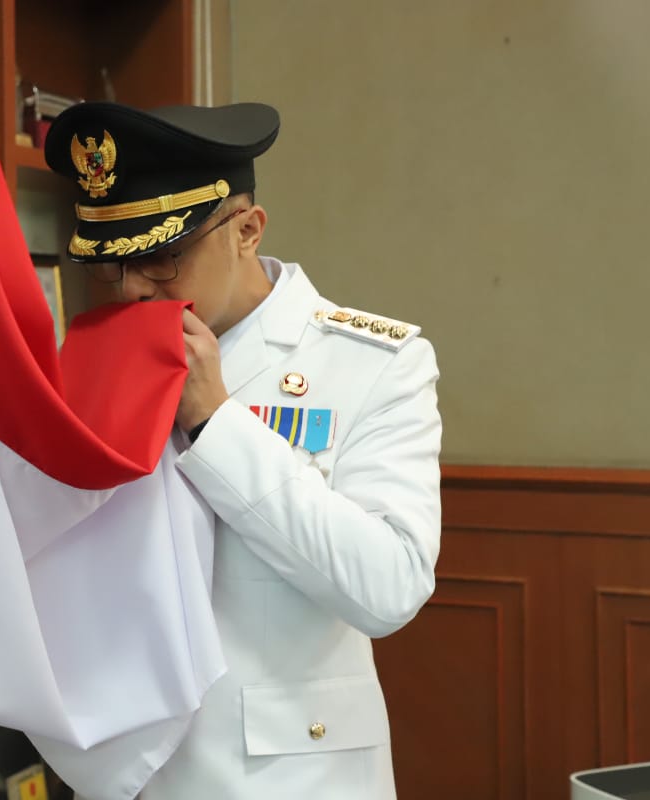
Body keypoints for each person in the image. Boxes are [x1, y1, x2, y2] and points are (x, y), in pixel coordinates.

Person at [43, 101, 443, 800]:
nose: (133, 289)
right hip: (126, 776)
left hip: (288, 776)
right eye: (115, 264)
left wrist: (216, 425)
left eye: (161, 257)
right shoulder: (91, 360)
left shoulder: (374, 363)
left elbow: (389, 588)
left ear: (247, 230)